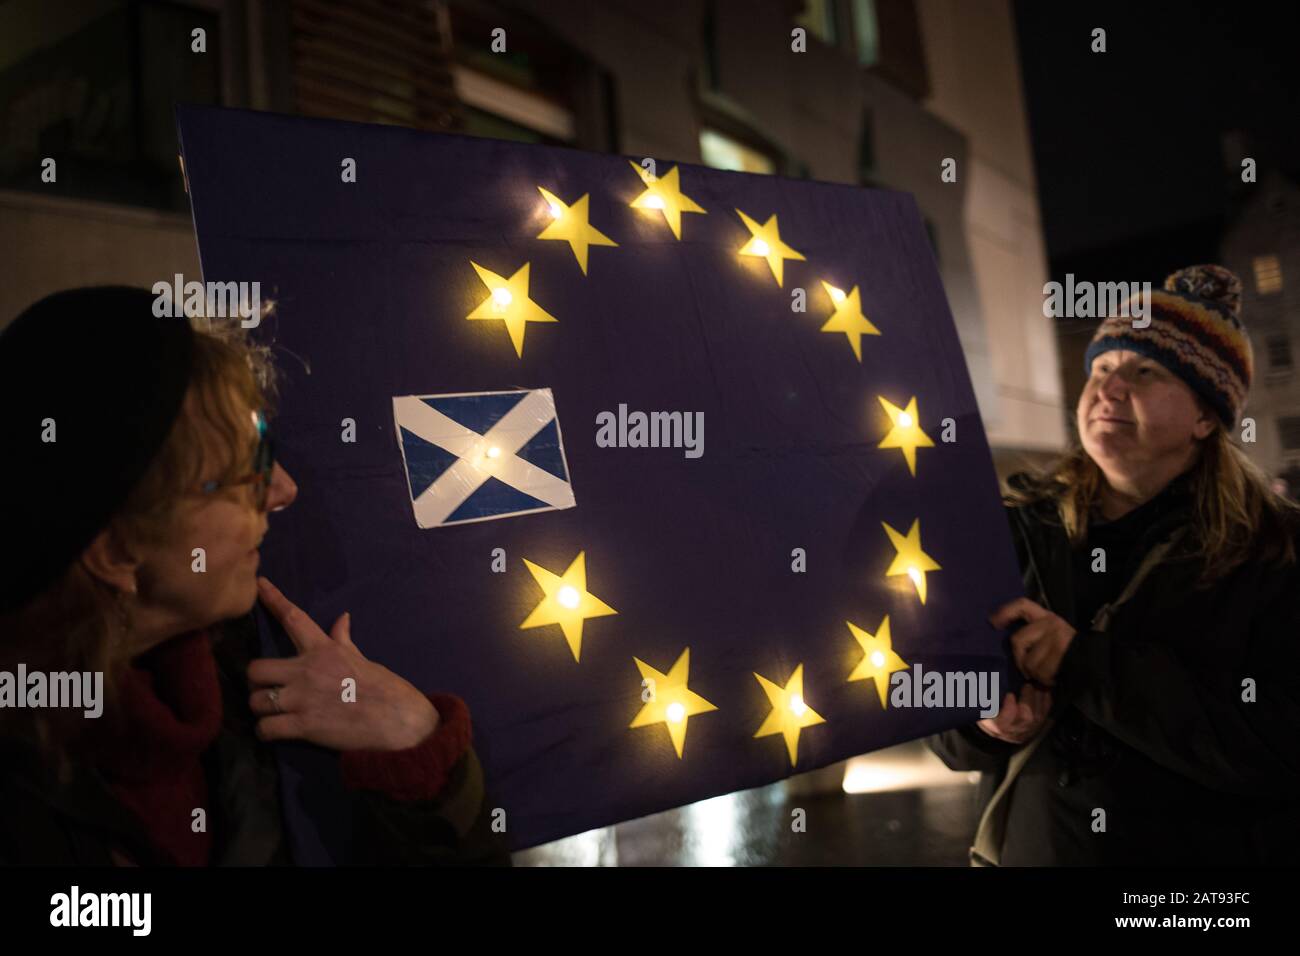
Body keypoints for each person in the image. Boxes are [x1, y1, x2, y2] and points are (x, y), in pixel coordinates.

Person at [0, 287, 509, 865]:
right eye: (246, 474)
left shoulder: (260, 686)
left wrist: (420, 762)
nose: (285, 490)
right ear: (116, 550)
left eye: (265, 449)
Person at [930, 264, 1300, 865]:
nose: (1109, 388)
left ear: (1206, 417)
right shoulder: (1017, 524)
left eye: (1146, 372)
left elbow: (1278, 746)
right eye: (1101, 368)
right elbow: (944, 718)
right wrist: (984, 723)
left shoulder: (1273, 550)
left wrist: (1086, 665)